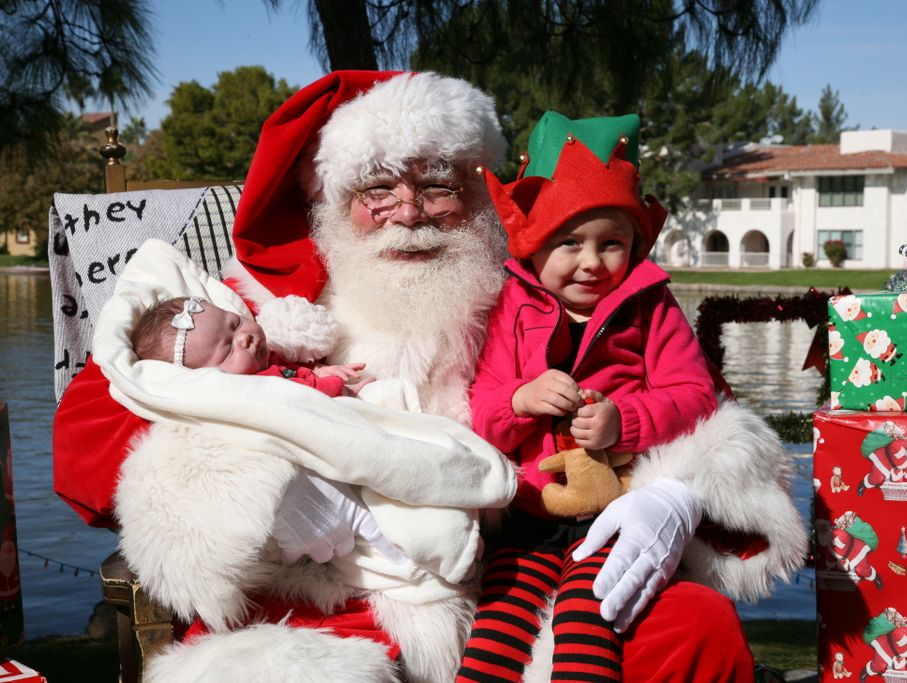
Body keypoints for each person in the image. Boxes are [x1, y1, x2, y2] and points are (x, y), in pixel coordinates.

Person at [52, 71, 805, 682]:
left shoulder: (543, 287)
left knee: (690, 627)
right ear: (335, 206)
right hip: (327, 598)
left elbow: (700, 404)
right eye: (377, 191)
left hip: (525, 580)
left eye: (440, 185)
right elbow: (95, 434)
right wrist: (248, 479)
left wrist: (673, 492)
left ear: (484, 202)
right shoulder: (264, 301)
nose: (409, 213)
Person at [458, 111, 715, 682]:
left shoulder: (651, 307)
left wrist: (625, 420)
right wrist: (520, 399)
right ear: (533, 244)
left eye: (612, 243)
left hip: (616, 513)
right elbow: (482, 410)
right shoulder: (509, 307)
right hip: (528, 513)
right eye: (569, 242)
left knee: (590, 616)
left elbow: (696, 397)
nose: (592, 262)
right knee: (495, 629)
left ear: (635, 245)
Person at [131, 295, 366, 396]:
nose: (244, 338)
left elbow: (294, 372)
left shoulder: (266, 358)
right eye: (228, 349)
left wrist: (319, 371)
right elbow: (309, 395)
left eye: (235, 323)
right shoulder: (259, 385)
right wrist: (340, 386)